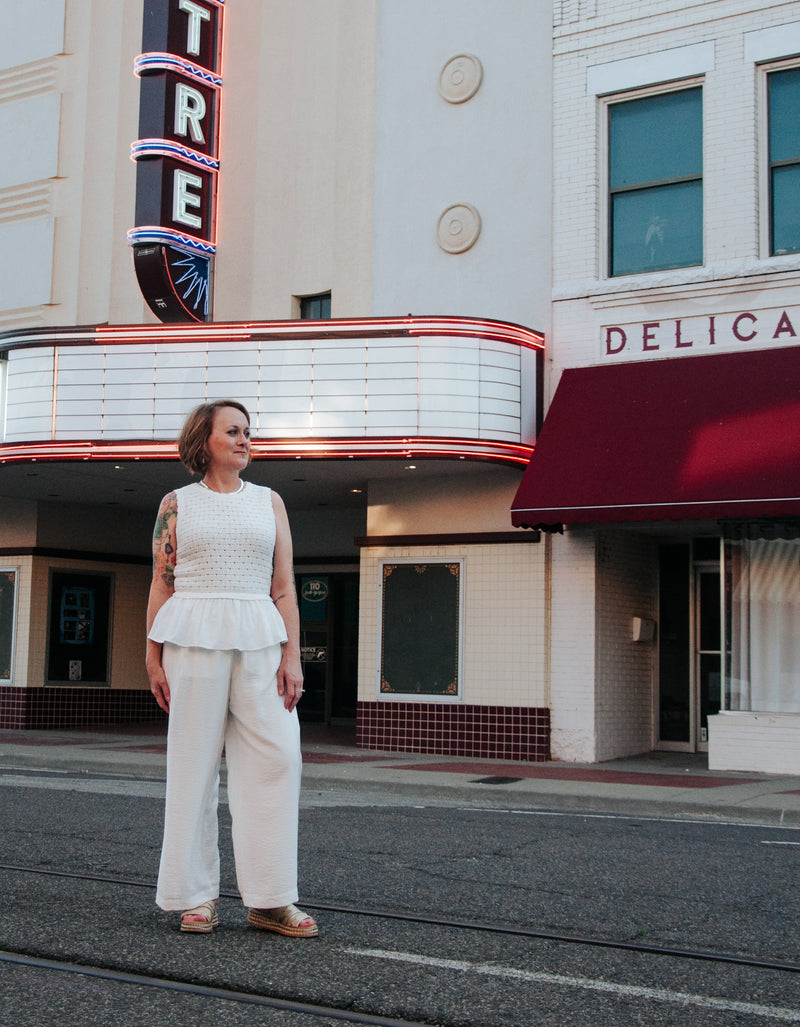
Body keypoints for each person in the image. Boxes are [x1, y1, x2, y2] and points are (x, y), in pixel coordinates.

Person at [145, 399, 317, 937]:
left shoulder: (270, 502)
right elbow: (161, 581)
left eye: (249, 432)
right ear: (205, 441)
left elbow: (284, 585)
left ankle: (269, 899)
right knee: (193, 766)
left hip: (260, 636)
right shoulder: (176, 503)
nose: (246, 440)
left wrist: (292, 655)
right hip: (191, 635)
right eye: (234, 431)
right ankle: (195, 896)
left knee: (278, 757)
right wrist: (151, 655)